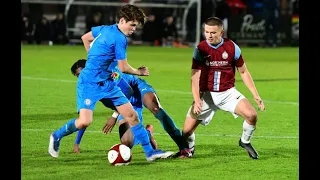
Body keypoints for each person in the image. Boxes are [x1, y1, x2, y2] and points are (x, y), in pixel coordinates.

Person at [48, 4, 174, 162]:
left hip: (107, 82)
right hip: (90, 83)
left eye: (136, 26)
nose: (134, 29)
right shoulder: (120, 39)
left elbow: (85, 38)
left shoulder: (105, 28)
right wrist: (139, 72)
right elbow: (123, 67)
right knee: (84, 121)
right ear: (122, 20)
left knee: (132, 115)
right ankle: (56, 135)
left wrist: (96, 59)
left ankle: (150, 153)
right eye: (132, 24)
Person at [175, 17, 266, 159]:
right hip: (206, 95)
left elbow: (243, 71)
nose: (209, 35)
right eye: (206, 32)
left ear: (221, 32)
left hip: (227, 93)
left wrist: (256, 94)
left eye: (213, 32)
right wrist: (197, 99)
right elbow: (194, 77)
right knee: (186, 131)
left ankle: (245, 141)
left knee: (252, 115)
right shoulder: (200, 49)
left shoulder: (232, 47)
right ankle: (190, 150)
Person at [71, 59, 186, 153]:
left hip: (137, 89)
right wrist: (77, 143)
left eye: (82, 73)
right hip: (126, 106)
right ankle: (147, 133)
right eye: (78, 76)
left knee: (155, 107)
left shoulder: (109, 73)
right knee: (127, 142)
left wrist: (115, 115)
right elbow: (84, 116)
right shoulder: (89, 88)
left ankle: (184, 147)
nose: (81, 77)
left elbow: (128, 91)